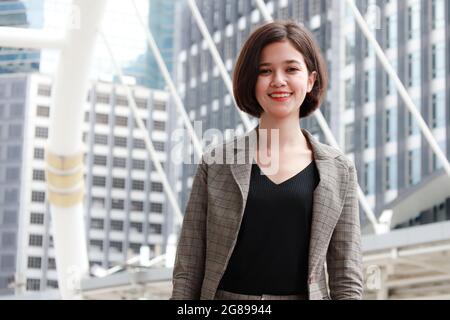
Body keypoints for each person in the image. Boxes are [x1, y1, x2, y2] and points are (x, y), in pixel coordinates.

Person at [171, 21, 363, 300]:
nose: (278, 81)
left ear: (310, 80)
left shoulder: (339, 170)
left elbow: (346, 276)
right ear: (252, 81)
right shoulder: (216, 163)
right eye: (265, 71)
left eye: (291, 69)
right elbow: (189, 267)